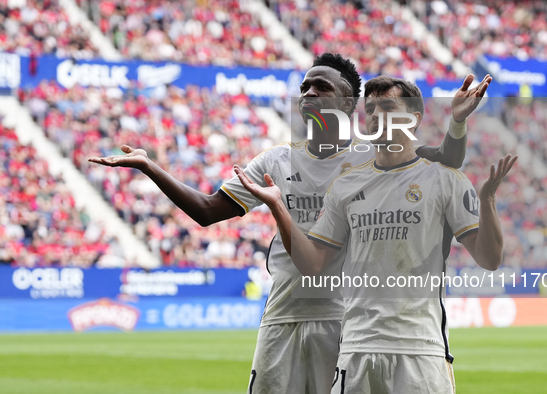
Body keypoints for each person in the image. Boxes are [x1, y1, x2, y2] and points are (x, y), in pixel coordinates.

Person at [88, 54, 492, 393]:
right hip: (283, 315)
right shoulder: (275, 161)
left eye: (322, 87)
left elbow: (445, 160)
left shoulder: (377, 155)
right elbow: (208, 210)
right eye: (304, 88)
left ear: (350, 104)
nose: (309, 94)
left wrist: (457, 123)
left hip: (346, 321)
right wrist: (149, 166)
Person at [233, 75, 516, 394]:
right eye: (370, 109)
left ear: (413, 118)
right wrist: (278, 208)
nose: (376, 115)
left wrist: (487, 201)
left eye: (387, 107)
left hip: (420, 351)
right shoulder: (344, 187)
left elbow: (490, 259)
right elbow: (312, 265)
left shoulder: (445, 181)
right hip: (355, 352)